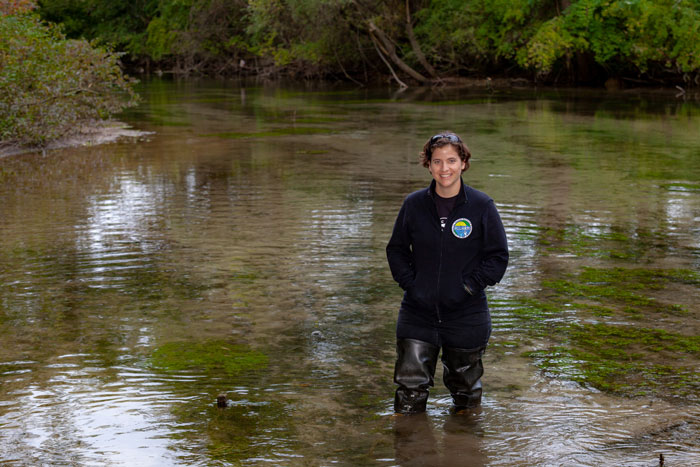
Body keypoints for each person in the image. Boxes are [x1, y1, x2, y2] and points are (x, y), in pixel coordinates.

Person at [386, 131, 509, 414]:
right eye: (437, 161)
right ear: (428, 165)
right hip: (417, 313)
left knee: (466, 395)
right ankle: (410, 450)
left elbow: (498, 257)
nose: (445, 169)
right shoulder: (413, 205)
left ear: (463, 162)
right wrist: (412, 286)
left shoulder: (482, 206)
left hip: (466, 314)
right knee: (409, 392)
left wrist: (467, 288)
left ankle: (463, 451)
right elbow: (396, 250)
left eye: (451, 160)